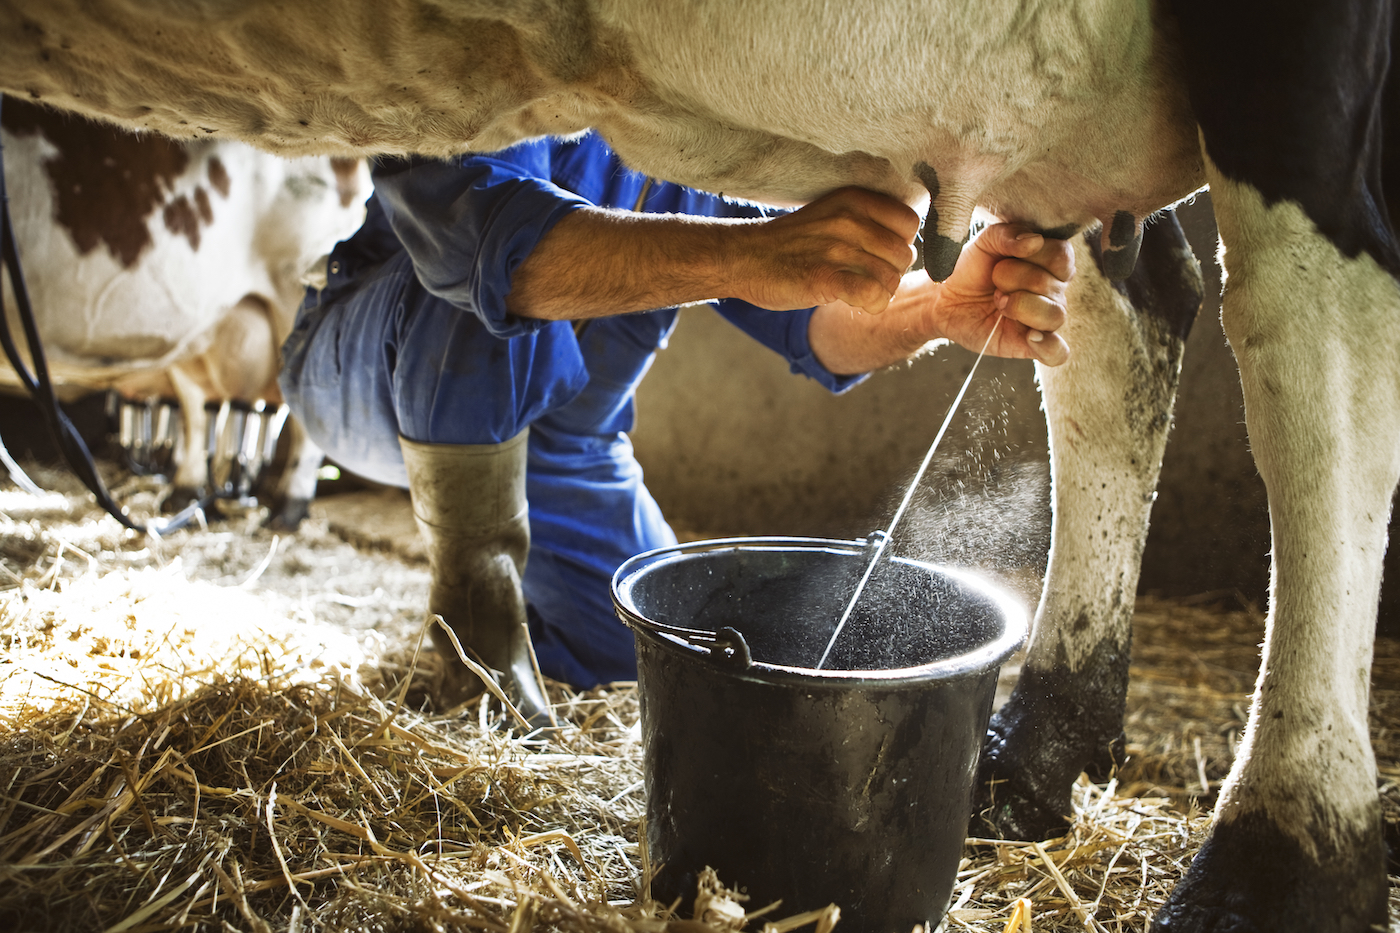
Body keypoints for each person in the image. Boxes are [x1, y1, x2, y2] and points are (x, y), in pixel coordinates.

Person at [280, 131, 1073, 720]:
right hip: (367, 364)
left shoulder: (698, 127)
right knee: (482, 283)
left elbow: (818, 323)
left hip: (565, 449)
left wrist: (937, 306)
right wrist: (752, 255)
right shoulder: (508, 49)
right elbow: (489, 247)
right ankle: (474, 639)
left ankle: (532, 627)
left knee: (658, 649)